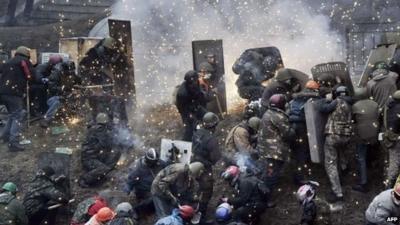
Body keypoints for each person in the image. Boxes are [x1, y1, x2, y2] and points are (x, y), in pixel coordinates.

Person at [79, 37, 128, 123]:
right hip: (88, 73)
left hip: (96, 73)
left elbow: (108, 63)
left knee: (107, 93)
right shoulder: (96, 52)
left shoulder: (103, 51)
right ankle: (89, 115)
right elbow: (105, 63)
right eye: (108, 49)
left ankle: (107, 113)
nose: (109, 51)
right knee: (92, 96)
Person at [318, 86, 353, 203]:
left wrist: (325, 99)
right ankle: (343, 172)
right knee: (341, 157)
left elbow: (322, 108)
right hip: (346, 136)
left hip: (333, 135)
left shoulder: (336, 101)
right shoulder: (350, 103)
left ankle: (338, 193)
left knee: (330, 164)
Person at [257, 94, 294, 190]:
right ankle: (265, 197)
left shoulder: (267, 113)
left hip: (265, 148)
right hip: (274, 151)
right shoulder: (279, 116)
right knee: (271, 175)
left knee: (269, 171)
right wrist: (294, 127)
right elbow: (288, 134)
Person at [0, 46, 33, 151]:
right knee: (18, 115)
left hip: (3, 92)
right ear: (26, 54)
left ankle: (4, 136)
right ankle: (13, 142)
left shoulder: (8, 62)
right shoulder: (24, 61)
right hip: (14, 93)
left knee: (13, 115)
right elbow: (30, 76)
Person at [288, 80, 321, 184]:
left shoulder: (295, 98)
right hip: (301, 126)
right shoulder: (313, 98)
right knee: (301, 151)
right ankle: (300, 178)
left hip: (291, 126)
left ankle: (297, 173)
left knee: (296, 151)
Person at [192, 112, 222, 220]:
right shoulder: (211, 139)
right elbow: (215, 158)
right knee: (207, 190)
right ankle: (201, 214)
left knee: (200, 185)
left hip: (194, 163)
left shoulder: (197, 132)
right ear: (213, 125)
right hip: (204, 167)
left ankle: (195, 202)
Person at [79, 113, 121, 188]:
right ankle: (84, 179)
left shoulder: (95, 128)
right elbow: (106, 144)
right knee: (104, 169)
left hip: (95, 155)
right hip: (90, 158)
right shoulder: (99, 130)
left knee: (115, 153)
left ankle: (104, 169)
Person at [124, 148, 168, 218]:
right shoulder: (137, 169)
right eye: (154, 162)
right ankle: (136, 212)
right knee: (153, 199)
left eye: (157, 161)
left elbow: (167, 169)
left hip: (159, 187)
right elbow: (130, 182)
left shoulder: (160, 163)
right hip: (145, 192)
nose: (156, 163)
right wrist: (126, 192)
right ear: (149, 161)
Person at [352, 87, 379, 192]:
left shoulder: (355, 106)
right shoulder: (375, 104)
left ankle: (363, 183)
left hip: (362, 135)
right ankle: (373, 168)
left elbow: (353, 120)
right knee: (371, 150)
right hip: (374, 133)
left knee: (361, 157)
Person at [40, 61, 81, 128]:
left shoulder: (71, 73)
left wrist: (79, 86)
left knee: (77, 96)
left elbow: (79, 81)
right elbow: (52, 88)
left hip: (66, 95)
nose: (70, 74)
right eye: (69, 72)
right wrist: (64, 89)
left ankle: (74, 114)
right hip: (53, 97)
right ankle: (46, 119)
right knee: (58, 101)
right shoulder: (56, 74)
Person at [175, 70, 210, 141]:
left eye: (194, 82)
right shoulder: (182, 93)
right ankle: (186, 142)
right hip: (186, 109)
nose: (192, 84)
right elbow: (182, 108)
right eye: (190, 83)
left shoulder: (197, 83)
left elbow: (201, 96)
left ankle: (207, 136)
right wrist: (190, 116)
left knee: (208, 117)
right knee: (190, 128)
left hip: (195, 105)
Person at [383, 90, 400, 188]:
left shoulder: (389, 106)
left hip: (390, 137)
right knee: (395, 162)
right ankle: (390, 186)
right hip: (397, 137)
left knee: (393, 161)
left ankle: (388, 184)